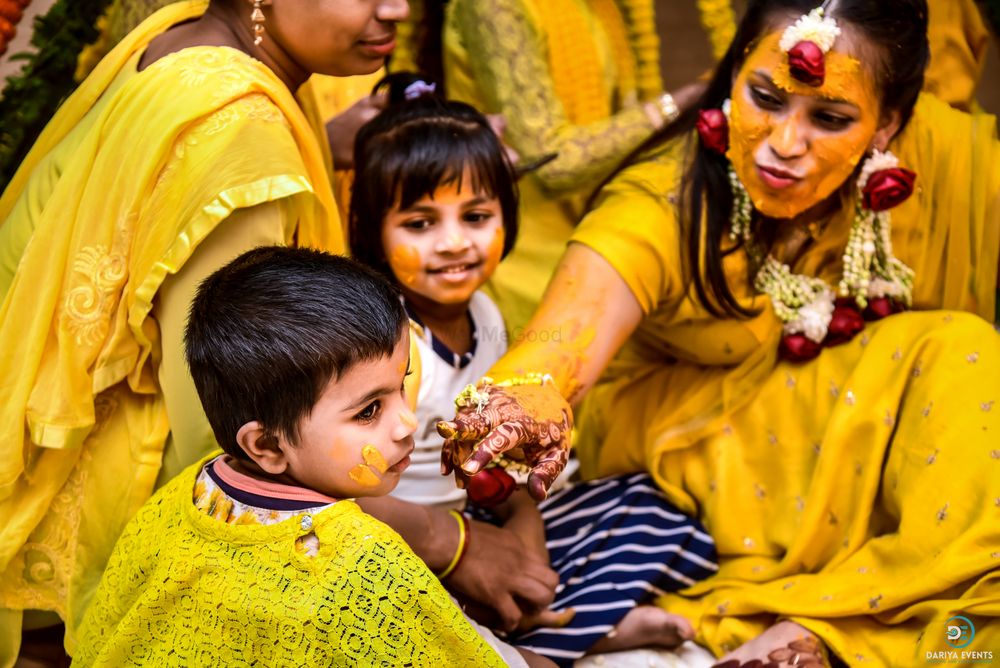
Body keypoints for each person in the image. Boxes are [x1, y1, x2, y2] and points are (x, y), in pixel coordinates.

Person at [436, 0, 1000, 665]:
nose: (784, 143)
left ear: (889, 126)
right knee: (961, 351)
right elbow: (567, 333)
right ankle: (849, 624)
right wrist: (520, 404)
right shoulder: (665, 198)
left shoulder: (944, 156)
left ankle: (831, 626)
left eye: (831, 118)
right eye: (765, 97)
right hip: (689, 436)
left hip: (853, 414)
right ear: (732, 75)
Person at [0, 0, 408, 660]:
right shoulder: (234, 124)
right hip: (96, 529)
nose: (398, 9)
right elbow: (225, 444)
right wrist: (447, 544)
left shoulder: (184, 37)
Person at [347, 73, 718, 665]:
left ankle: (556, 620)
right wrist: (470, 552)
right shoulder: (383, 342)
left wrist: (528, 551)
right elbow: (345, 499)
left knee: (655, 504)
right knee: (425, 620)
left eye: (475, 216)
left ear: (507, 217)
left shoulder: (485, 313)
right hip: (406, 543)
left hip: (482, 513)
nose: (453, 244)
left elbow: (509, 470)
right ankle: (585, 631)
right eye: (420, 224)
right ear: (371, 231)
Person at [72, 246, 546, 667]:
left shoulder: (177, 501)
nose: (406, 424)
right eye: (369, 410)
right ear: (268, 445)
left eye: (402, 383)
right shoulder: (362, 560)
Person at [438, 0, 706, 335]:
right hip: (521, 249)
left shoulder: (599, 6)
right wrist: (677, 105)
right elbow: (553, 163)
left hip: (595, 225)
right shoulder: (494, 6)